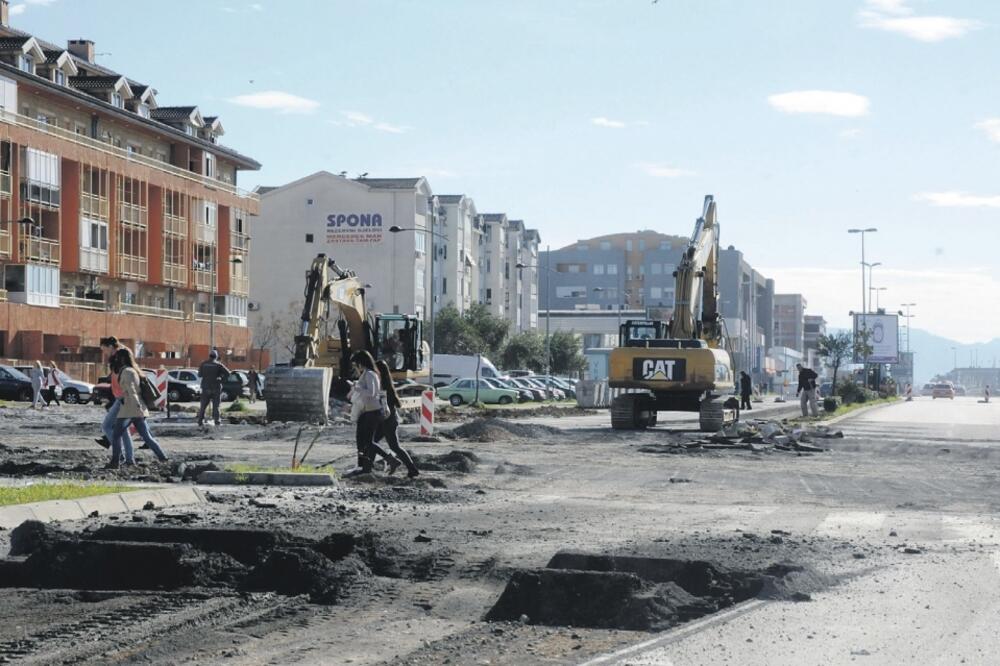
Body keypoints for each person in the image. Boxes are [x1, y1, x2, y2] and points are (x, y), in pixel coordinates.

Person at [109, 347, 168, 467]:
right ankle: (163, 458)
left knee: (116, 435)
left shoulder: (127, 372)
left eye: (117, 357)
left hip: (130, 409)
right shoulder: (135, 370)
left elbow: (132, 391)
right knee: (146, 436)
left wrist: (136, 406)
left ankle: (115, 462)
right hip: (138, 408)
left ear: (121, 359)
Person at [344, 350, 398, 477]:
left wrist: (357, 387)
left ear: (361, 363)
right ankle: (363, 467)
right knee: (362, 441)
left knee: (368, 442)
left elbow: (372, 393)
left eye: (355, 364)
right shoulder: (366, 375)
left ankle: (390, 460)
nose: (355, 367)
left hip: (373, 412)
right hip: (368, 411)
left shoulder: (370, 374)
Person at [374, 359, 419, 478]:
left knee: (393, 446)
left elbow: (384, 406)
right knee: (371, 443)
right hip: (385, 420)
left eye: (374, 369)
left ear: (379, 371)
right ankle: (374, 466)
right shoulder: (386, 383)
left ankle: (411, 468)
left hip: (388, 421)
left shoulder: (382, 385)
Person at [95, 337, 134, 453]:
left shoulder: (119, 356)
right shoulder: (121, 355)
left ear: (110, 347)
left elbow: (122, 376)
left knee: (107, 426)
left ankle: (119, 454)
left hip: (122, 398)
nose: (104, 353)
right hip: (121, 397)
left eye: (104, 349)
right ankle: (129, 458)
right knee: (124, 430)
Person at [196, 349, 230, 427]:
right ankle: (217, 422)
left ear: (209, 356)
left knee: (203, 406)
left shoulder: (203, 364)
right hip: (216, 388)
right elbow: (228, 373)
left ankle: (200, 421)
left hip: (205, 388)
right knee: (216, 406)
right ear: (216, 356)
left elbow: (199, 375)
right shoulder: (218, 365)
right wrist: (221, 379)